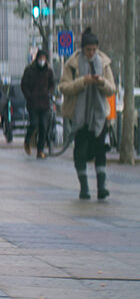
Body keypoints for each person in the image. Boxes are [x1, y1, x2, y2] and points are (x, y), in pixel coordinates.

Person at [59, 28, 116, 200]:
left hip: (99, 116)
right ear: (83, 49)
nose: (91, 53)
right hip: (79, 115)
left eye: (94, 50)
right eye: (88, 50)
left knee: (100, 151)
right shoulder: (72, 64)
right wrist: (82, 81)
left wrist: (101, 82)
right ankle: (84, 188)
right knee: (80, 152)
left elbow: (111, 89)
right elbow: (64, 87)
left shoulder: (104, 64)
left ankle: (101, 187)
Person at [21, 49, 55, 159]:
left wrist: (49, 92)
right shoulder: (30, 70)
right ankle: (27, 141)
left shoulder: (48, 71)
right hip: (33, 103)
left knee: (44, 127)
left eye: (44, 59)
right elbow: (24, 84)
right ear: (37, 59)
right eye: (40, 59)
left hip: (45, 103)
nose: (42, 61)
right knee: (34, 123)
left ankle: (40, 150)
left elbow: (52, 84)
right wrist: (29, 96)